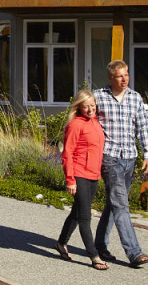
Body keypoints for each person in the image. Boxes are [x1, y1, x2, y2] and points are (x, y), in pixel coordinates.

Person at [93, 60, 148, 267]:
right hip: (109, 158)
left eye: (126, 74)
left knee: (113, 203)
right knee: (121, 204)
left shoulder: (135, 98)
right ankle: (134, 252)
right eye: (120, 76)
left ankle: (99, 245)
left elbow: (143, 128)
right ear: (111, 78)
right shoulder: (98, 96)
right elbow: (85, 121)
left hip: (130, 157)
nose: (125, 79)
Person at [55, 90, 108, 270]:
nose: (90, 109)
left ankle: (61, 243)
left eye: (92, 105)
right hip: (79, 174)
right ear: (79, 107)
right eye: (86, 106)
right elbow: (67, 153)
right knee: (85, 217)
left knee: (77, 214)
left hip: (93, 174)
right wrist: (70, 179)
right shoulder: (76, 125)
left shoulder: (95, 123)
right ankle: (94, 256)